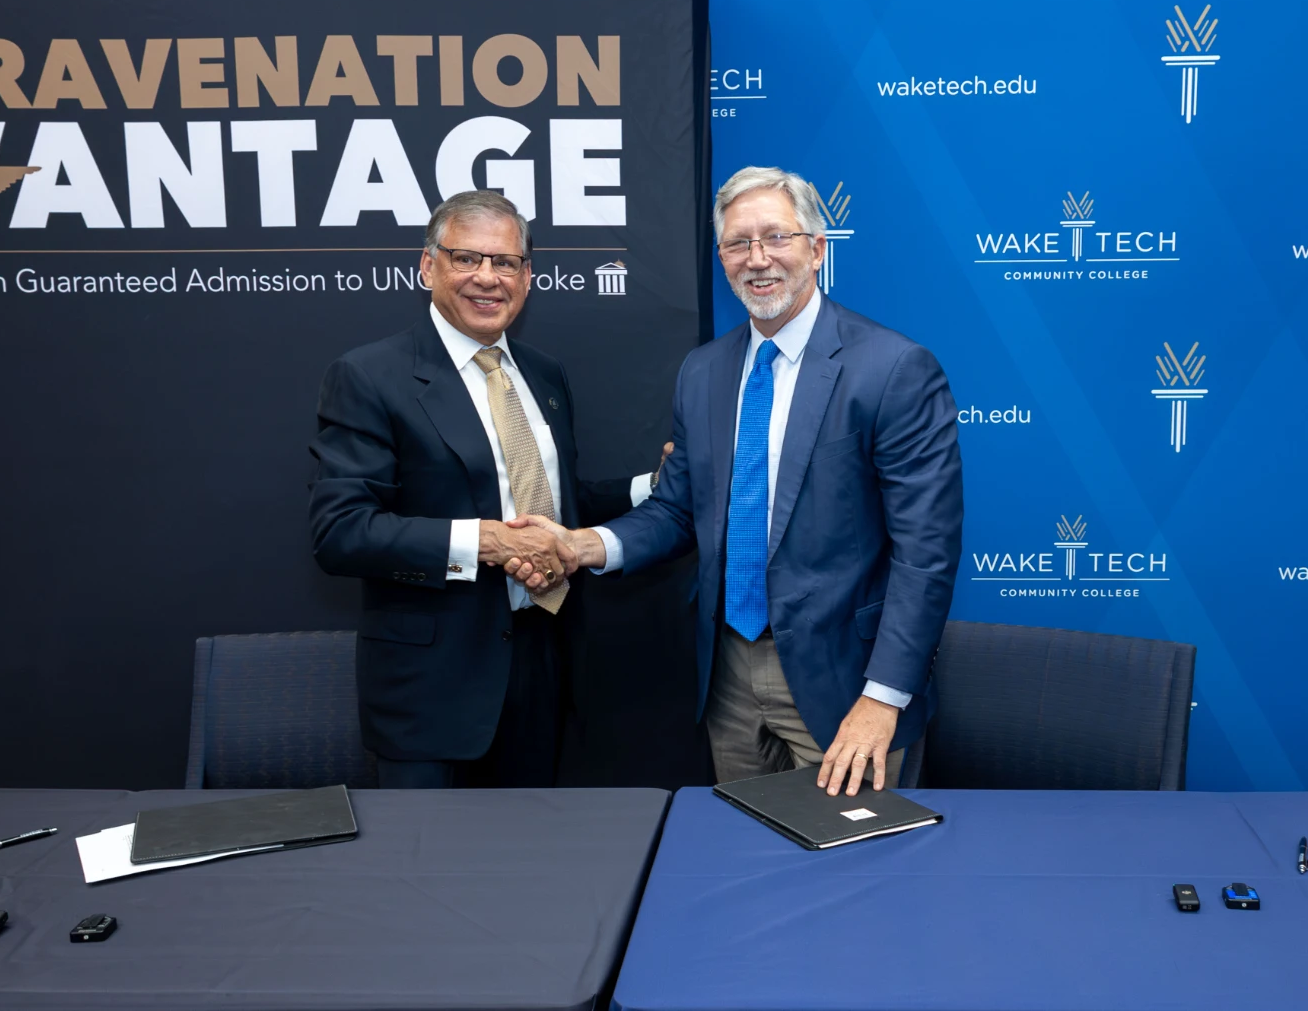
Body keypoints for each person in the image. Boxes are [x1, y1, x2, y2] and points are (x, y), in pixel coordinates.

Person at [507, 166, 962, 797]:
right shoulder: (704, 371)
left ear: (817, 247)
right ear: (722, 258)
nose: (758, 259)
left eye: (776, 237)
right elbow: (675, 511)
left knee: (855, 876)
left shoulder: (892, 369)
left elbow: (925, 555)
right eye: (738, 244)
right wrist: (580, 546)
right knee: (746, 862)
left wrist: (882, 700)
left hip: (845, 684)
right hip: (727, 677)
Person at [308, 190, 658, 789]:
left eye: (505, 262)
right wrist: (485, 543)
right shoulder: (370, 376)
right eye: (466, 259)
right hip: (433, 692)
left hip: (543, 663)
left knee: (524, 869)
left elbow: (551, 500)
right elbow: (341, 531)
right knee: (424, 872)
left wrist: (656, 485)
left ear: (527, 276)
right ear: (428, 266)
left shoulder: (544, 373)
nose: (487, 278)